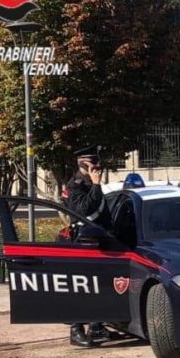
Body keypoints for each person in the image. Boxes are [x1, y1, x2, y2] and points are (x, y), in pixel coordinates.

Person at [64, 145, 112, 347]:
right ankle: (76, 330)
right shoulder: (75, 186)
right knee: (82, 287)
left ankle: (96, 325)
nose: (98, 165)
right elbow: (84, 210)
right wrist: (96, 186)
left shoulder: (91, 183)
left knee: (99, 286)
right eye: (93, 161)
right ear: (82, 163)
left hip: (99, 241)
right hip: (83, 242)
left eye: (98, 161)